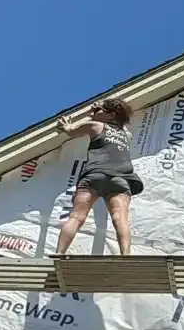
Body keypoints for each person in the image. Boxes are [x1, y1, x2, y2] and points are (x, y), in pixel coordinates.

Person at [54, 98, 143, 256]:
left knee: (76, 216)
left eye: (97, 110)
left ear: (111, 115)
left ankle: (59, 253)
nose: (93, 112)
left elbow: (70, 130)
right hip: (120, 178)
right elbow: (120, 123)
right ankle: (126, 256)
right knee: (120, 217)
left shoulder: (95, 126)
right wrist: (99, 111)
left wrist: (66, 125)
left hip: (94, 176)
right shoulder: (127, 134)